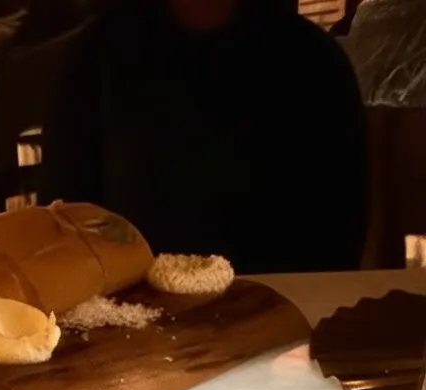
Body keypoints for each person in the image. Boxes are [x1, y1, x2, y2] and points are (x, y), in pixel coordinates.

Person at [40, 0, 370, 273]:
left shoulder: (313, 62)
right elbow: (64, 217)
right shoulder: (95, 56)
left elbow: (338, 237)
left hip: (281, 315)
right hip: (132, 318)